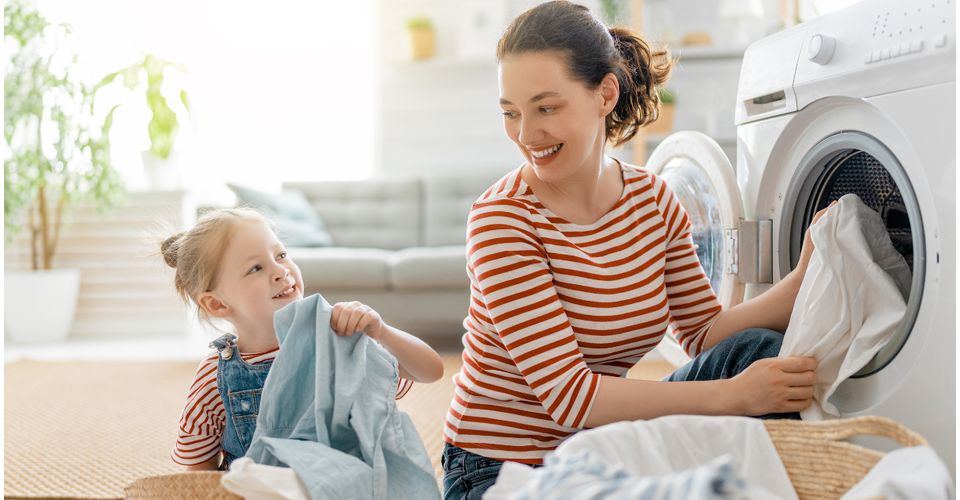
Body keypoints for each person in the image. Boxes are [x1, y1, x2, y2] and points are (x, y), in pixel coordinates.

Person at [441, 2, 828, 498]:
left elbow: (704, 334)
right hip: (500, 468)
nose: (525, 134)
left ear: (605, 93)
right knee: (740, 387)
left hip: (606, 448)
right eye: (511, 113)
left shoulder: (652, 200)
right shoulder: (502, 220)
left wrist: (806, 276)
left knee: (755, 354)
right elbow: (570, 398)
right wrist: (733, 397)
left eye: (547, 107)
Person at [163, 208, 444, 470]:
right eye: (255, 268)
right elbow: (198, 467)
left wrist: (380, 331)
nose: (281, 271)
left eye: (281, 255)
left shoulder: (339, 338)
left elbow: (431, 371)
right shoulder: (215, 375)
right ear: (217, 304)